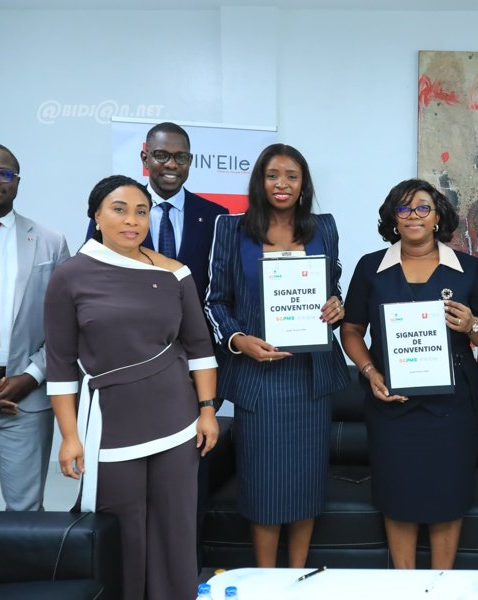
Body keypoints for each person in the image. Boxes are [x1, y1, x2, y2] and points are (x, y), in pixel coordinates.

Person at [45, 175, 218, 600]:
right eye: (119, 210)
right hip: (109, 426)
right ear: (96, 216)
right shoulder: (70, 276)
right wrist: (70, 436)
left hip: (177, 421)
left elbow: (199, 347)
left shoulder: (175, 272)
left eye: (141, 212)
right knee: (121, 527)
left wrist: (207, 410)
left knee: (175, 526)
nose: (132, 220)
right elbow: (60, 364)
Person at [340, 178, 478, 569]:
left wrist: (471, 324)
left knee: (449, 497)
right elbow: (351, 329)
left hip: (452, 408)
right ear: (393, 218)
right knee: (398, 496)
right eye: (404, 208)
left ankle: (441, 585)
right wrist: (369, 371)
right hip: (391, 404)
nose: (413, 215)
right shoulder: (370, 268)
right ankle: (405, 585)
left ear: (437, 217)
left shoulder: (468, 268)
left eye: (423, 207)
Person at [205, 144, 349, 568]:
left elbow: (331, 286)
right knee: (263, 486)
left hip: (310, 376)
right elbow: (214, 301)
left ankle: (296, 577)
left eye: (291, 176)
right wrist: (238, 340)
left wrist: (336, 305)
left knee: (306, 484)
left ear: (304, 184)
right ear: (259, 181)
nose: (281, 184)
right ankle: (267, 581)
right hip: (259, 379)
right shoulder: (231, 228)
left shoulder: (324, 227)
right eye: (272, 175)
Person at [0, 141, 69, 511]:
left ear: (17, 181)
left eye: (4, 173)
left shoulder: (50, 242)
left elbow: (66, 325)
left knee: (27, 514)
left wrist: (32, 376)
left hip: (27, 398)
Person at [86, 121, 227, 300]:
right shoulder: (112, 212)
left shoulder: (215, 216)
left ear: (190, 161)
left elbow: (224, 286)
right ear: (145, 159)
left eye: (181, 157)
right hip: (128, 314)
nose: (171, 164)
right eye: (161, 155)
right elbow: (89, 271)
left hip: (194, 316)